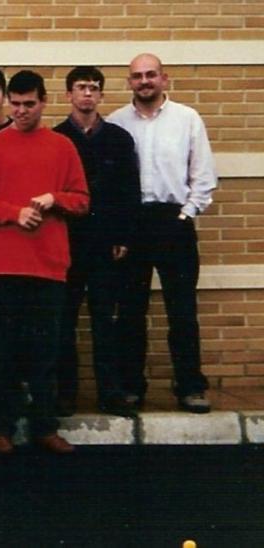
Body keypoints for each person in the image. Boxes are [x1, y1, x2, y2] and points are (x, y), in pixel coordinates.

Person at [0, 70, 88, 456]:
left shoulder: (62, 146)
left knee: (45, 353)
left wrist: (55, 198)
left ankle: (44, 427)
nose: (20, 111)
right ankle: (1, 429)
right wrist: (13, 214)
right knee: (1, 353)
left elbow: (82, 199)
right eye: (14, 104)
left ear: (44, 102)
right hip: (1, 265)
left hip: (48, 265)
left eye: (28, 104)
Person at [108, 53, 217, 414]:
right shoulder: (116, 123)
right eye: (137, 76)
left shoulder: (187, 119)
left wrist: (186, 215)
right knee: (130, 311)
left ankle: (190, 386)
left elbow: (203, 177)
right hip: (133, 223)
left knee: (182, 310)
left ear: (164, 79)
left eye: (150, 75)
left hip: (174, 222)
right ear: (129, 83)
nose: (144, 81)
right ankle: (131, 387)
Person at [52, 66, 142, 418]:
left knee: (106, 320)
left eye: (93, 88)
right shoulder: (58, 138)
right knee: (64, 320)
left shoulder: (119, 139)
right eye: (80, 88)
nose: (87, 94)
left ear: (102, 94)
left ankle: (111, 392)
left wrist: (124, 235)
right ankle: (66, 394)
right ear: (68, 95)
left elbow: (129, 191)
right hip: (67, 242)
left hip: (106, 245)